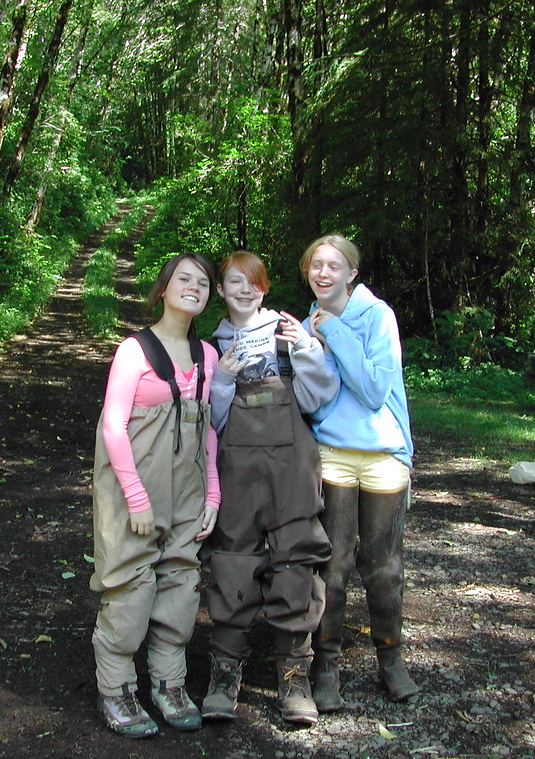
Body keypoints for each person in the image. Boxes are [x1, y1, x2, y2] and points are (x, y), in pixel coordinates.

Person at [202, 251, 336, 725]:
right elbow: (211, 424)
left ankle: (295, 676)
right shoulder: (212, 346)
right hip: (237, 471)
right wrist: (221, 380)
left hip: (292, 471)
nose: (245, 289)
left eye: (253, 281)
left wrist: (307, 349)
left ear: (265, 286)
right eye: (235, 282)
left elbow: (319, 398)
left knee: (296, 560)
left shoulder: (288, 334)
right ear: (220, 290)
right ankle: (224, 672)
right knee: (233, 561)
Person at [90, 253, 221, 739]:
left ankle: (170, 683)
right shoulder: (134, 350)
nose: (194, 287)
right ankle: (117, 688)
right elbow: (112, 426)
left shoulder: (208, 356)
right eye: (183, 279)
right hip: (134, 491)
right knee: (130, 587)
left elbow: (208, 431)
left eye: (203, 282)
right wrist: (137, 498)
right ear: (163, 288)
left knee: (180, 587)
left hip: (188, 494)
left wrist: (213, 493)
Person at [300, 234, 419, 710]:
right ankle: (325, 664)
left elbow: (372, 390)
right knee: (332, 565)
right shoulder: (308, 321)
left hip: (383, 452)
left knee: (384, 566)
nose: (323, 273)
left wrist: (336, 334)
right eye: (315, 265)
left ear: (352, 273)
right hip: (332, 451)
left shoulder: (378, 316)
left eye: (334, 265)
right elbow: (316, 394)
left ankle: (391, 659)